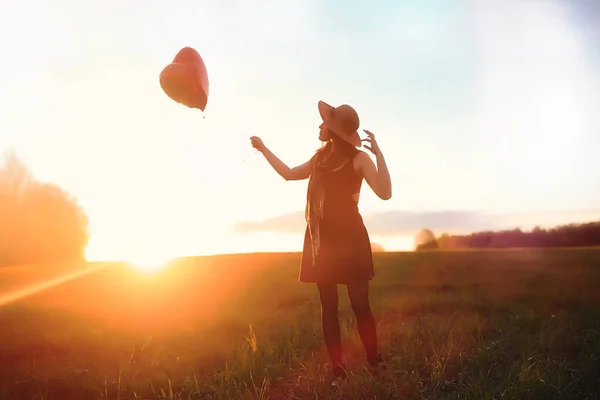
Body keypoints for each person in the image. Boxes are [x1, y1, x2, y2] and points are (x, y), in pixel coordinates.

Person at [249, 100, 392, 383]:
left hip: (350, 239)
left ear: (335, 131)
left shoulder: (359, 159)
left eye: (325, 122)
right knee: (328, 306)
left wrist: (379, 155)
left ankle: (374, 362)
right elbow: (290, 174)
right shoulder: (319, 160)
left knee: (359, 304)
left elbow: (385, 193)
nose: (319, 125)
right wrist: (264, 149)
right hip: (321, 240)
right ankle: (337, 368)